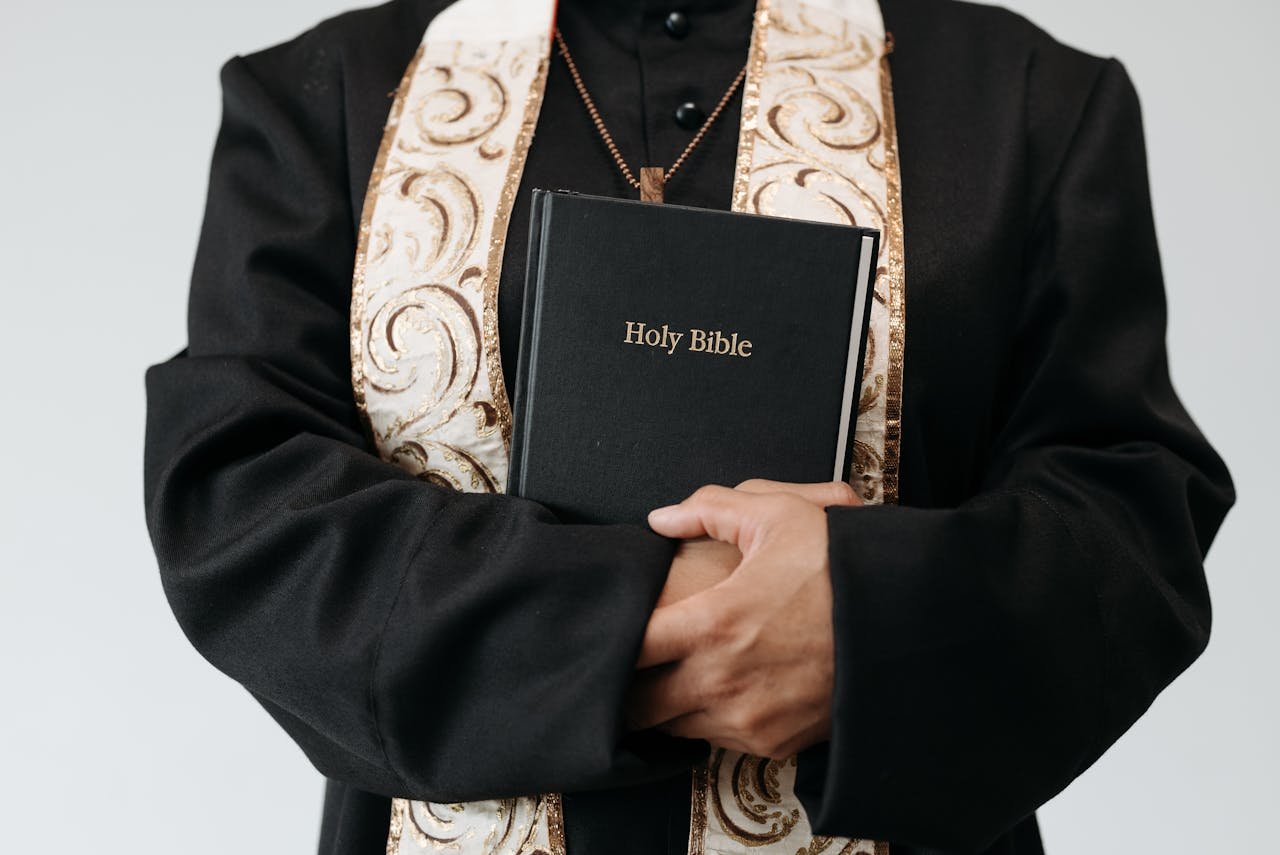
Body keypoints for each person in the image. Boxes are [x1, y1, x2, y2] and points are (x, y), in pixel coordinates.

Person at [142, 0, 1235, 853]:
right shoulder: (321, 96)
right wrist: (639, 617)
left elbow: (1126, 517)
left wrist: (866, 620)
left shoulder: (1027, 99)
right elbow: (237, 494)